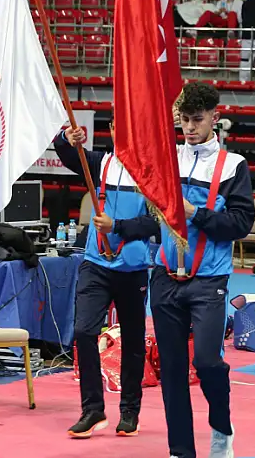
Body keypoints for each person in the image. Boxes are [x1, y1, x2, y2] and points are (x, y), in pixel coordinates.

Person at [151, 82, 255, 458]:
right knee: (173, 369)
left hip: (209, 279)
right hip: (164, 278)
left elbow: (242, 223)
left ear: (215, 116)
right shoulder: (166, 158)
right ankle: (180, 449)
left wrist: (197, 214)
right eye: (184, 121)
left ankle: (222, 426)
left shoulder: (233, 165)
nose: (190, 128)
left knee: (207, 361)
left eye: (197, 120)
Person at [54, 119, 156, 438]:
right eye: (116, 126)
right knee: (84, 331)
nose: (122, 131)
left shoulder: (152, 172)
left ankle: (129, 411)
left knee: (134, 341)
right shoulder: (100, 163)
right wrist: (65, 138)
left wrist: (119, 228)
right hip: (96, 264)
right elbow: (68, 154)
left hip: (132, 268)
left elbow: (157, 222)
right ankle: (92, 410)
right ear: (111, 129)